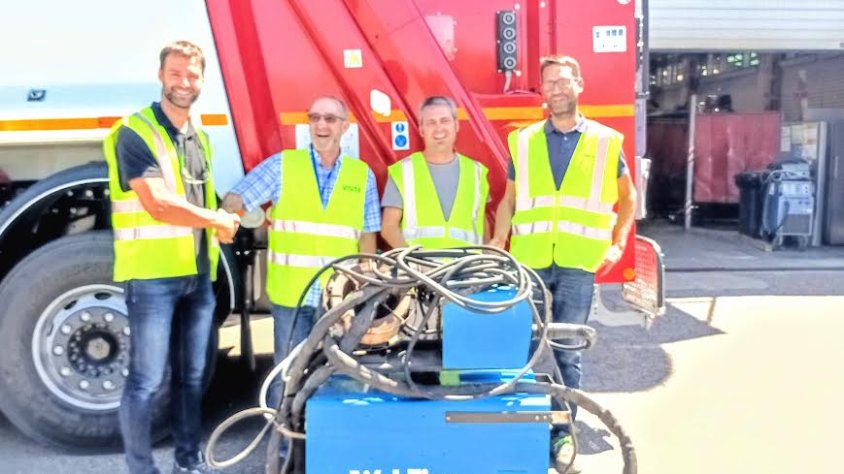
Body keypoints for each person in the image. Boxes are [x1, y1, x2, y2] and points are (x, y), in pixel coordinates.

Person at [490, 55, 637, 472]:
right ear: (542, 93)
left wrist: (617, 245)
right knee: (521, 349)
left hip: (577, 264)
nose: (555, 88)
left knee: (567, 353)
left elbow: (628, 199)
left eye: (563, 80)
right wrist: (500, 240)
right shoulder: (523, 141)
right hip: (531, 262)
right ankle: (522, 431)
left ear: (579, 85)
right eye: (548, 83)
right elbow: (510, 200)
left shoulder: (608, 141)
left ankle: (561, 434)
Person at [104, 41, 240, 474]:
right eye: (176, 73)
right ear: (161, 76)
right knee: (145, 382)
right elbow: (158, 204)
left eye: (192, 75)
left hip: (198, 276)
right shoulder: (135, 132)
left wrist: (238, 215)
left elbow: (202, 196)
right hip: (152, 278)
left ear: (202, 81)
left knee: (192, 379)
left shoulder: (199, 138)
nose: (184, 82)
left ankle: (189, 462)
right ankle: (141, 469)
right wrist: (217, 219)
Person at [222, 95, 380, 420]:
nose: (322, 125)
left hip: (338, 299)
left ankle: (329, 446)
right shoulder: (283, 166)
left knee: (337, 373)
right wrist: (225, 214)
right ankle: (284, 447)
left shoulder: (361, 175)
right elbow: (238, 197)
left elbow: (368, 236)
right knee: (288, 373)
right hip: (291, 296)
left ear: (345, 127)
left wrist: (364, 288)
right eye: (315, 117)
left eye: (331, 119)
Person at [381, 96, 489, 249]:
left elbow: (482, 225)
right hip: (419, 271)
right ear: (421, 129)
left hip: (466, 270)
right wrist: (412, 263)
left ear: (456, 125)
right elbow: (389, 228)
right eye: (431, 123)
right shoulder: (403, 171)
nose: (439, 128)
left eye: (445, 121)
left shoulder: (476, 172)